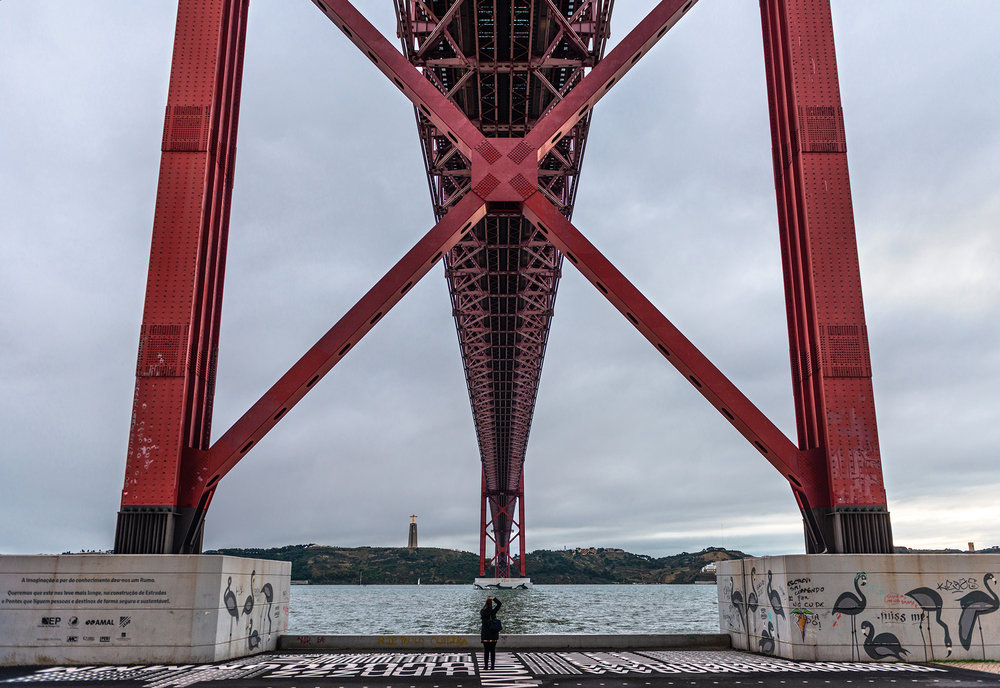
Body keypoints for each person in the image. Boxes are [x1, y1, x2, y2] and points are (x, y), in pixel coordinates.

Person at [480, 596, 502, 670]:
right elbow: (499, 604)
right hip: (493, 635)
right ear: (491, 604)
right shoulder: (493, 612)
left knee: (486, 651)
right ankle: (492, 666)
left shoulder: (482, 612)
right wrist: (494, 598)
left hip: (485, 635)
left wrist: (487, 602)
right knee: (492, 651)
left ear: (485, 604)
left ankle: (486, 666)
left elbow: (483, 611)